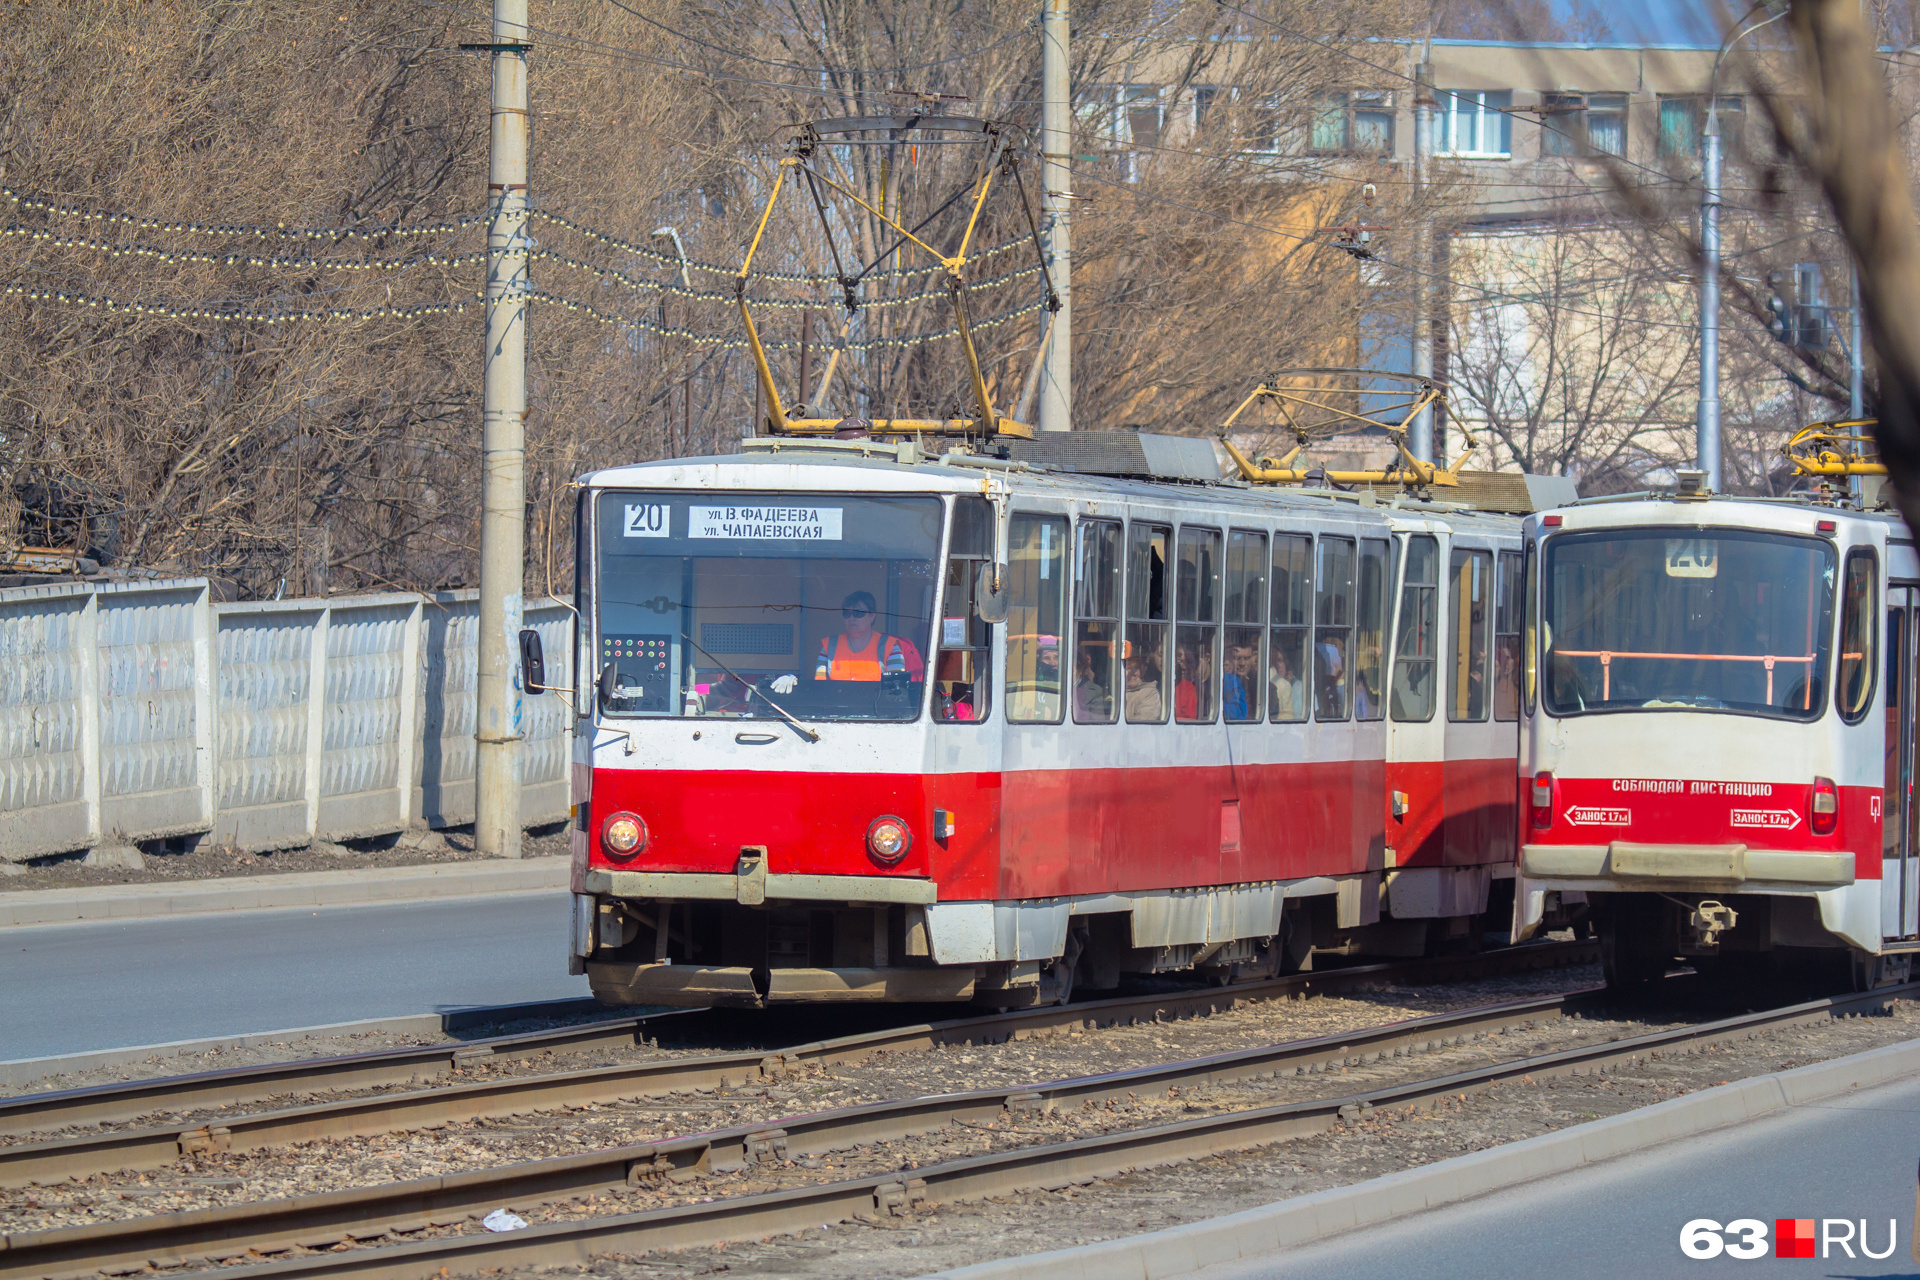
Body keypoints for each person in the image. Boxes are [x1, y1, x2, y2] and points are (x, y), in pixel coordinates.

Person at [780, 590, 925, 689]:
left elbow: (895, 689)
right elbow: (820, 686)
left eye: (858, 613)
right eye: (846, 614)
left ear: (872, 616)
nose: (851, 618)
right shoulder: (828, 646)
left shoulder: (890, 646)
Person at [1223, 640, 1258, 721]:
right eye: (1237, 658)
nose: (1242, 663)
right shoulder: (1223, 682)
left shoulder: (1262, 686)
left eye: (1247, 658)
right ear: (1228, 659)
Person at [1124, 651, 1163, 721]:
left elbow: (1142, 725)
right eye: (1129, 668)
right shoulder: (1111, 692)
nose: (1135, 673)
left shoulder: (1149, 693)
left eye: (1136, 667)